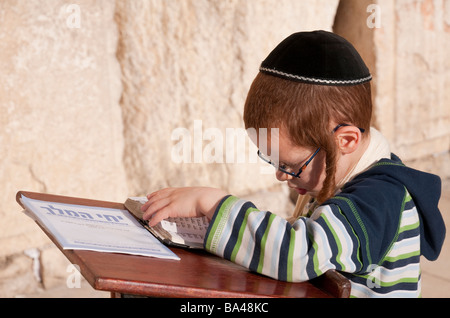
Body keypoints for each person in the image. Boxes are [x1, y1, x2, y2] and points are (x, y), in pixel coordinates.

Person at [141, 31, 445, 297]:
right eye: (274, 161)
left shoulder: (378, 198)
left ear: (347, 140)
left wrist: (212, 202)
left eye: (291, 164)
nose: (281, 175)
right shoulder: (348, 173)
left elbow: (302, 253)